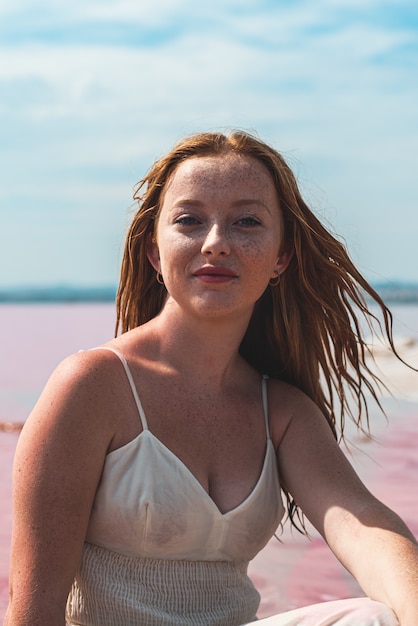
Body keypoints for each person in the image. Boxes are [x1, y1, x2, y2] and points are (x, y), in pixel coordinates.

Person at [4, 130, 418, 626]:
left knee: (372, 617)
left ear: (280, 257)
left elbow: (365, 525)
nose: (217, 243)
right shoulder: (94, 385)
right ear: (156, 253)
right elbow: (32, 611)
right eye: (189, 221)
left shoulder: (281, 413)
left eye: (246, 222)